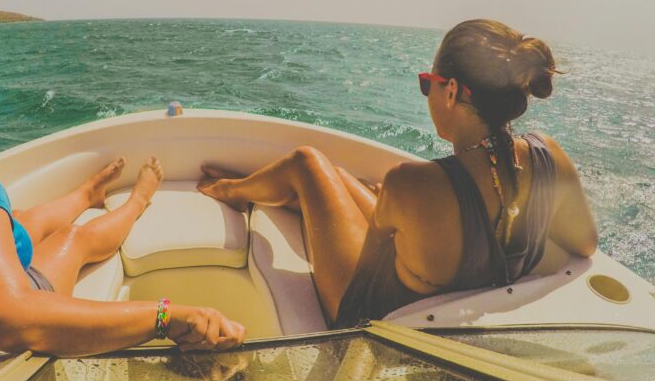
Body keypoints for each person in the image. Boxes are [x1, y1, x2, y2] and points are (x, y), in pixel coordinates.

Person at [0, 26, 245, 356]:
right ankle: (139, 200)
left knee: (15, 221)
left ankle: (85, 195)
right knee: (74, 238)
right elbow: (11, 323)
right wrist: (165, 316)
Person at [198, 19, 598, 327]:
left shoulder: (414, 184)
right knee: (339, 178)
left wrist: (389, 204)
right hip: (467, 294)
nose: (428, 95)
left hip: (369, 316)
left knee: (308, 164)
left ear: (453, 90)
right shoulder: (550, 157)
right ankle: (279, 191)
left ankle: (231, 189)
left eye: (429, 84)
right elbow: (585, 243)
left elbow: (370, 269)